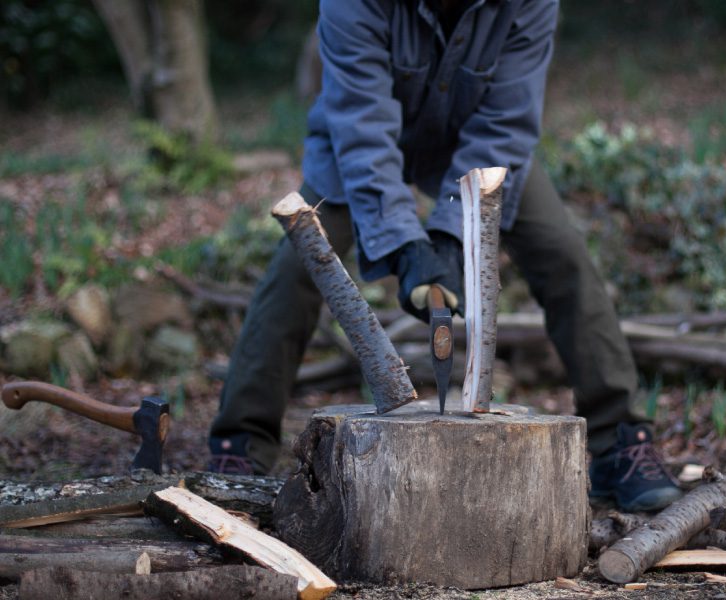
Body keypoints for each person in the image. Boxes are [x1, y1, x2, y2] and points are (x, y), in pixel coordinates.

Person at [208, 0, 683, 512]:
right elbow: (363, 121)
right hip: (357, 138)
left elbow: (506, 119)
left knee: (562, 254)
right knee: (300, 268)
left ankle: (621, 444)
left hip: (478, 143)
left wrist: (455, 237)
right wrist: (406, 246)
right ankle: (240, 447)